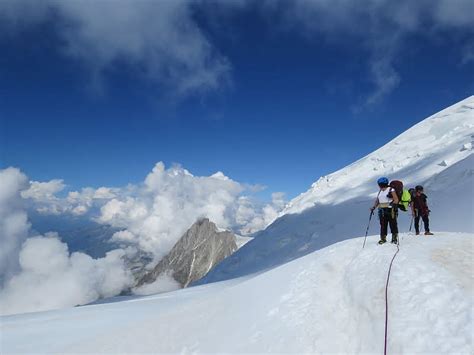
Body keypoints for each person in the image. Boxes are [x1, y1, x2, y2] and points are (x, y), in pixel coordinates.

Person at [370, 177, 399, 244]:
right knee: (383, 225)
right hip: (382, 210)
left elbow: (396, 199)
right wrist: (374, 207)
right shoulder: (380, 191)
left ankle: (394, 238)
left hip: (390, 210)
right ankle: (383, 239)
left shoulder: (391, 189)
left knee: (393, 224)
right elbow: (378, 201)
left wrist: (392, 205)